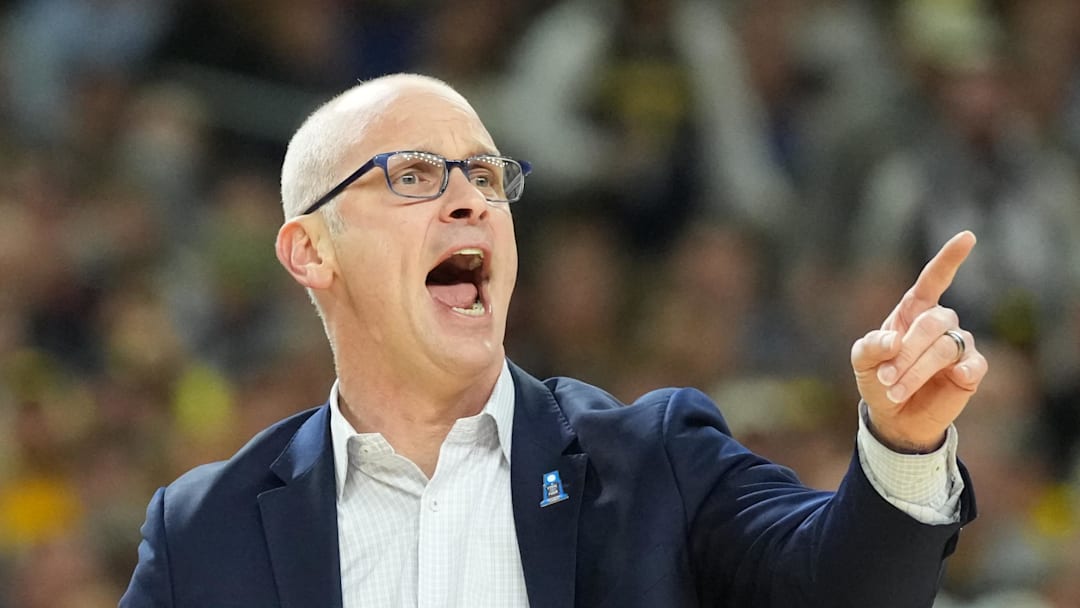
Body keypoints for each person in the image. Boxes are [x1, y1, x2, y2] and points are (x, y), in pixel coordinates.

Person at [119, 73, 986, 607]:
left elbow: (847, 592)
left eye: (488, 177)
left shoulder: (657, 464)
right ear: (311, 251)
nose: (470, 201)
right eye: (414, 175)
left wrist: (904, 445)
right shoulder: (205, 532)